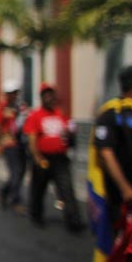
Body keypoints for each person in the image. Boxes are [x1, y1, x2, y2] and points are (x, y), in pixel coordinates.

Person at [88, 63, 132, 262]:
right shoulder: (112, 114)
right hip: (121, 198)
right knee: (121, 246)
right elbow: (106, 153)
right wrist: (126, 189)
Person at [23, 83, 83, 232]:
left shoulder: (60, 113)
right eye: (46, 95)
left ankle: (73, 220)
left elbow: (69, 131)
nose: (50, 98)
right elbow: (32, 138)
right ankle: (36, 214)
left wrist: (70, 134)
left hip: (60, 159)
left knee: (66, 189)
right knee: (39, 189)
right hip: (43, 158)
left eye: (51, 95)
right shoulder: (35, 116)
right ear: (42, 98)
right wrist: (36, 156)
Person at [0, 80, 26, 211]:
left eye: (15, 93)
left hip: (21, 144)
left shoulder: (20, 107)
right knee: (15, 173)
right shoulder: (1, 107)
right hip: (8, 144)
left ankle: (5, 191)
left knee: (21, 172)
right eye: (11, 93)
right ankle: (15, 200)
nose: (14, 95)